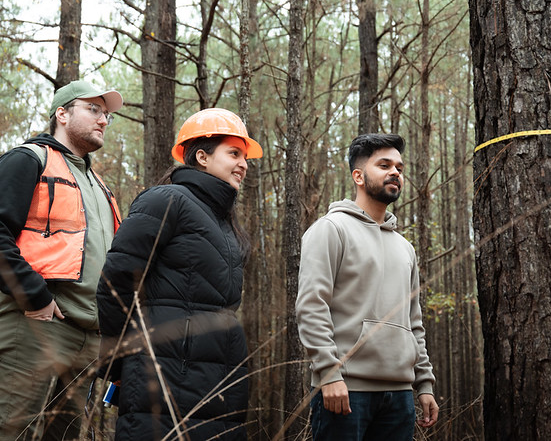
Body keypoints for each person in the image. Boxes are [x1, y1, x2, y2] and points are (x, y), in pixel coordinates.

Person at [96, 108, 261, 440]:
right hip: (162, 375)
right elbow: (116, 284)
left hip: (221, 381)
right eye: (234, 153)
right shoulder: (165, 200)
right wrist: (118, 364)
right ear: (201, 156)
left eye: (245, 156)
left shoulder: (226, 225)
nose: (243, 164)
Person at [0, 80, 123, 440]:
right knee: (12, 431)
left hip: (86, 336)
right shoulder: (28, 159)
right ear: (63, 113)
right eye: (94, 110)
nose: (103, 120)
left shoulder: (99, 184)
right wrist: (33, 294)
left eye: (107, 115)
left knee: (66, 436)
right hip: (35, 325)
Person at [296, 133, 439, 441]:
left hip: (400, 395)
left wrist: (424, 383)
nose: (395, 173)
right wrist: (329, 375)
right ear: (358, 176)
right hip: (345, 390)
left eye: (399, 167)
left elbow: (414, 323)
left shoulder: (405, 248)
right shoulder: (330, 230)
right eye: (384, 165)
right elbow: (311, 307)